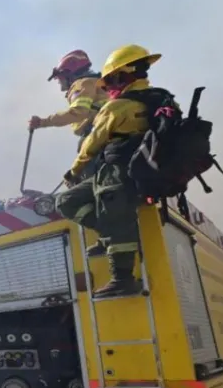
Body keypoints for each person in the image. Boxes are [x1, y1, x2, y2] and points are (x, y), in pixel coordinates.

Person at [54, 44, 177, 299]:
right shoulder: (164, 98)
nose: (107, 87)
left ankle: (122, 278)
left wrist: (73, 172)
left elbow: (92, 143)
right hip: (150, 169)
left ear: (122, 76)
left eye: (110, 81)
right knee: (68, 201)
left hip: (119, 172)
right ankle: (110, 238)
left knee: (112, 215)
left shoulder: (117, 107)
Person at [29, 49, 108, 158]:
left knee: (85, 168)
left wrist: (43, 122)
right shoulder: (96, 82)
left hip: (97, 132)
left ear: (69, 74)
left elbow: (78, 112)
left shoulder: (82, 84)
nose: (59, 82)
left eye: (60, 78)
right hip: (104, 128)